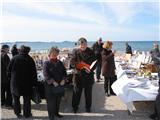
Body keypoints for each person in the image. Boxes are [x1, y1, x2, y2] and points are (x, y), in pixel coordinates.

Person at [8, 45, 37, 118]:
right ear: (28, 51)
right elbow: (34, 73)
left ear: (20, 50)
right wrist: (34, 83)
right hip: (27, 83)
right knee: (27, 100)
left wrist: (10, 79)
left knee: (16, 99)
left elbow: (8, 70)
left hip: (15, 83)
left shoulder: (14, 58)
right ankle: (27, 114)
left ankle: (17, 113)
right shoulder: (30, 59)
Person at [70, 37, 96, 113]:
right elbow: (72, 63)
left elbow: (95, 63)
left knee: (88, 94)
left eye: (84, 44)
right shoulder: (75, 51)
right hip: (78, 76)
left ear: (86, 44)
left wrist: (91, 69)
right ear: (79, 45)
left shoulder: (91, 51)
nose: (83, 46)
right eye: (81, 44)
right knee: (76, 93)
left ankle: (88, 107)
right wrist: (79, 65)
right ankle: (75, 107)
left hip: (88, 75)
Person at [43, 47, 67, 120]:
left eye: (56, 53)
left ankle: (56, 113)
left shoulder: (59, 62)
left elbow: (64, 73)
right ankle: (51, 116)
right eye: (53, 53)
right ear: (49, 54)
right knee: (50, 102)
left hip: (59, 85)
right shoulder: (46, 63)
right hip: (50, 86)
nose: (54, 55)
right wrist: (53, 81)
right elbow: (46, 74)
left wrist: (63, 79)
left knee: (58, 101)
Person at [149, 42, 160, 120]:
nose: (154, 46)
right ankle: (156, 114)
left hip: (157, 66)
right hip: (157, 67)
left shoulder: (156, 51)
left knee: (158, 99)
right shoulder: (155, 51)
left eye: (155, 46)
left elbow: (155, 56)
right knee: (157, 98)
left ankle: (157, 114)